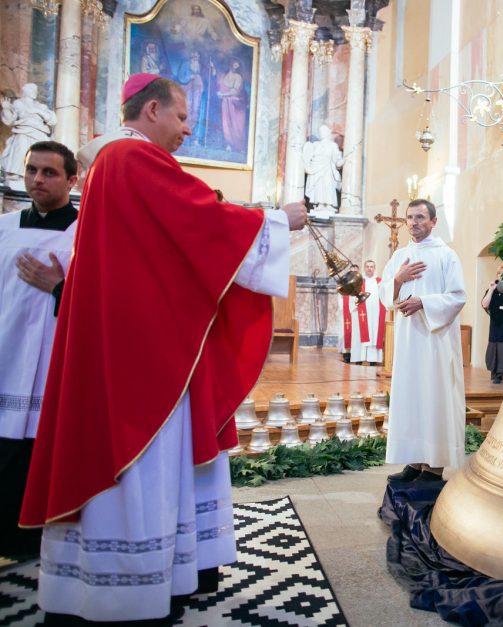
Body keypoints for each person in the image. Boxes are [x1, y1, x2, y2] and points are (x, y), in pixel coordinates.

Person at [18, 73, 307, 623]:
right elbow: (201, 221)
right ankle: (129, 589)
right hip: (141, 348)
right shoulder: (134, 160)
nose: (187, 129)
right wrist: (277, 221)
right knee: (139, 458)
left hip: (134, 332)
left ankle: (131, 576)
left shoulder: (111, 164)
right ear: (151, 110)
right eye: (180, 117)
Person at [0, 141, 78, 559]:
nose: (37, 179)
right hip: (7, 355)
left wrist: (61, 287)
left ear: (72, 179)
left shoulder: (84, 233)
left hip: (54, 358)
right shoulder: (4, 228)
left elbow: (105, 302)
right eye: (32, 170)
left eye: (49, 172)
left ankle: (39, 539)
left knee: (40, 448)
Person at [380, 199, 466, 482]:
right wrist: (397, 278)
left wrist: (423, 302)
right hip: (407, 344)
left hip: (435, 342)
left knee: (434, 396)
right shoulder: (400, 256)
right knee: (411, 397)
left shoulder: (446, 256)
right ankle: (416, 461)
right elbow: (385, 297)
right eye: (410, 218)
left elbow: (457, 297)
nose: (414, 222)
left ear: (433, 222)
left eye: (420, 217)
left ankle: (434, 466)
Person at [0, 83, 57, 184]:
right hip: (23, 130)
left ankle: (39, 176)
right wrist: (6, 108)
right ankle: (16, 175)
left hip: (40, 133)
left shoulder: (40, 106)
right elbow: (10, 120)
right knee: (21, 150)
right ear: (25, 91)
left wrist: (37, 111)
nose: (34, 92)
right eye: (31, 89)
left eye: (35, 90)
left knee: (41, 155)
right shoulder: (18, 103)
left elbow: (52, 120)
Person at [350, 259, 386, 365]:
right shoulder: (359, 282)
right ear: (364, 268)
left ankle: (373, 360)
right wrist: (355, 305)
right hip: (361, 314)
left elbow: (384, 296)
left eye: (371, 267)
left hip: (376, 314)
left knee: (374, 334)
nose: (369, 269)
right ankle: (359, 358)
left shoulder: (380, 282)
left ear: (374, 269)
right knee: (360, 334)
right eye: (367, 266)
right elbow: (353, 296)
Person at [302, 124, 344, 213]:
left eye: (324, 131)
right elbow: (310, 156)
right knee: (319, 187)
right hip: (316, 169)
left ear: (328, 132)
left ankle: (329, 205)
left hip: (328, 169)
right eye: (321, 131)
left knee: (328, 185)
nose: (322, 133)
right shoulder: (316, 145)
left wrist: (340, 162)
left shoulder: (333, 145)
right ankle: (320, 204)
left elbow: (336, 158)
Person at [216, 59, 247, 152]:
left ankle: (239, 146)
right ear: (231, 64)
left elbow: (235, 91)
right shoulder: (224, 76)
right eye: (234, 64)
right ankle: (228, 144)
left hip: (234, 103)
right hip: (225, 103)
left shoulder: (238, 77)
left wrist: (223, 95)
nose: (236, 66)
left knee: (236, 124)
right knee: (226, 123)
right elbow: (219, 86)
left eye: (237, 65)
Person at [177, 50, 205, 141]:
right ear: (191, 55)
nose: (196, 57)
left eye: (198, 55)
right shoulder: (185, 64)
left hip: (197, 90)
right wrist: (189, 77)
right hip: (187, 89)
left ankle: (192, 130)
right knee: (187, 108)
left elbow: (206, 78)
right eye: (195, 55)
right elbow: (181, 76)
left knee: (196, 109)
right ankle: (183, 130)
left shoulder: (200, 66)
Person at [339, 263, 359, 364]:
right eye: (352, 271)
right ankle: (346, 353)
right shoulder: (344, 283)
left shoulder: (360, 283)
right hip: (346, 310)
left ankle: (354, 353)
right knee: (345, 332)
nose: (354, 272)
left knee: (355, 333)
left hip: (356, 311)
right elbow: (340, 297)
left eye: (356, 271)